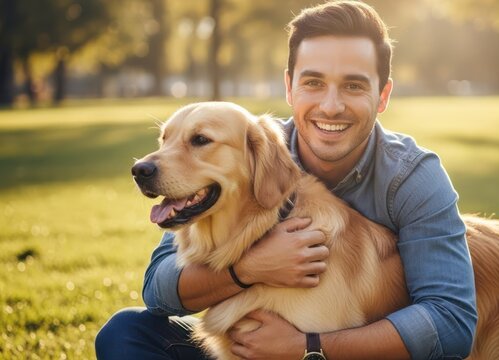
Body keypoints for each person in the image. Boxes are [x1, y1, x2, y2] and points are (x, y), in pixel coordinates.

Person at [96, 1, 477, 359]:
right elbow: (159, 293)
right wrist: (248, 269)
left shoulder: (413, 177)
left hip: (354, 345)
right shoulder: (251, 155)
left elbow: (452, 320)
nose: (331, 105)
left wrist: (308, 347)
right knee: (126, 333)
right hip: (249, 334)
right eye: (313, 82)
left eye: (353, 85)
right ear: (289, 87)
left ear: (383, 96)